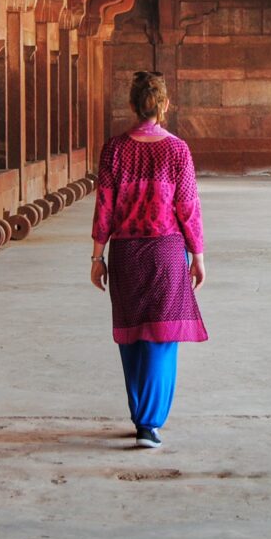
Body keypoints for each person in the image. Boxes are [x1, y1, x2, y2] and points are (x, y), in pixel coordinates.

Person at [90, 70, 207, 449]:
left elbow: (104, 206)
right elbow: (188, 207)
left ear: (132, 105)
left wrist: (97, 255)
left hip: (125, 253)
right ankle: (149, 424)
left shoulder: (115, 149)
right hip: (166, 251)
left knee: (132, 338)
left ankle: (139, 414)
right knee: (162, 337)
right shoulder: (177, 150)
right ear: (164, 106)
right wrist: (199, 255)